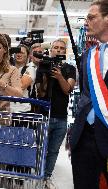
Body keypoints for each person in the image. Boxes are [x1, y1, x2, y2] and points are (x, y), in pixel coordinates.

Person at [70, 1, 108, 189]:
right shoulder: (88, 56)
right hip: (84, 137)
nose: (86, 22)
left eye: (92, 18)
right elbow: (86, 95)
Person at [36, 39, 76, 188]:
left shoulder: (70, 69)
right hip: (44, 115)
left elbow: (68, 89)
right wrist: (46, 76)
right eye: (56, 48)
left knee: (53, 151)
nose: (58, 50)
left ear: (64, 52)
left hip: (60, 118)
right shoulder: (42, 66)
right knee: (41, 149)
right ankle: (38, 175)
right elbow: (41, 92)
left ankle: (46, 177)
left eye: (61, 48)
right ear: (50, 50)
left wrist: (59, 76)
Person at [10, 44, 36, 113]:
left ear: (27, 56)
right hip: (8, 109)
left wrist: (5, 84)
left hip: (23, 110)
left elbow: (20, 87)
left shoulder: (30, 69)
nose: (19, 55)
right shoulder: (8, 68)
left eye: (22, 53)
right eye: (17, 52)